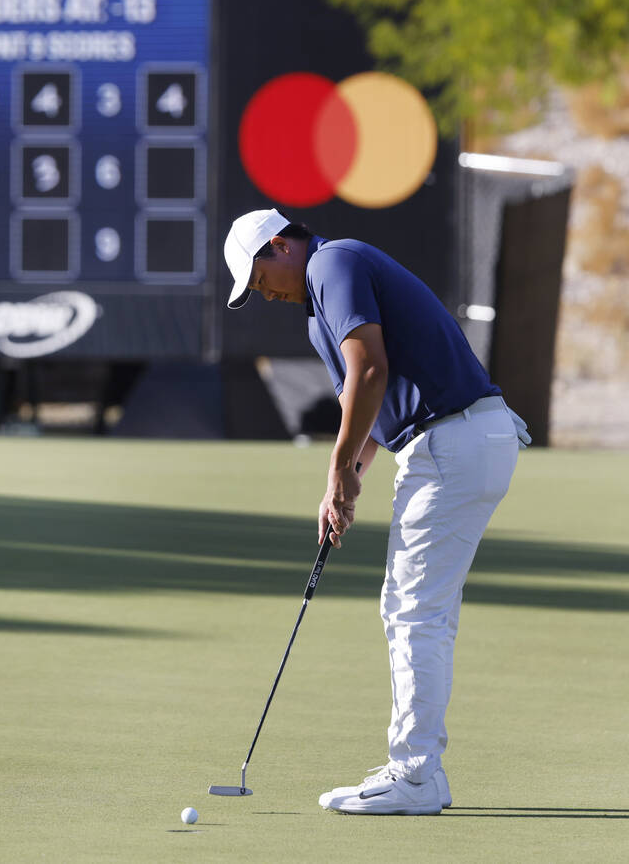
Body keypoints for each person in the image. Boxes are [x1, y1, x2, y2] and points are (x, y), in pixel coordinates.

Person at [223, 208, 530, 815]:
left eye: (260, 281)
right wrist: (347, 479)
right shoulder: (321, 302)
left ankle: (415, 777)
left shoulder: (334, 263)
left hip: (453, 440)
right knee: (415, 608)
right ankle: (424, 776)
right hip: (467, 439)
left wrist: (338, 471)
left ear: (279, 246)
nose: (265, 294)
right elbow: (369, 402)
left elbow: (370, 371)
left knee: (415, 612)